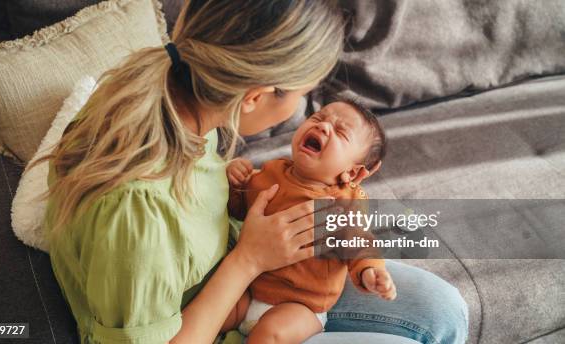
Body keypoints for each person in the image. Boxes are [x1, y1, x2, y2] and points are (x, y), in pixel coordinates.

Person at [31, 0, 468, 343]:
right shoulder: (136, 215)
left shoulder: (175, 95)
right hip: (218, 309)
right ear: (255, 97)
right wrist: (249, 260)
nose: (305, 113)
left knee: (445, 309)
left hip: (262, 270)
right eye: (304, 97)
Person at [224, 99, 396, 343]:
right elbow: (239, 209)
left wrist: (371, 270)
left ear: (352, 173)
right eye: (318, 118)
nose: (324, 127)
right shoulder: (272, 172)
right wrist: (235, 184)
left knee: (271, 332)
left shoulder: (341, 205)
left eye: (340, 132)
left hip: (300, 305)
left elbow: (359, 242)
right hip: (250, 289)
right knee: (218, 310)